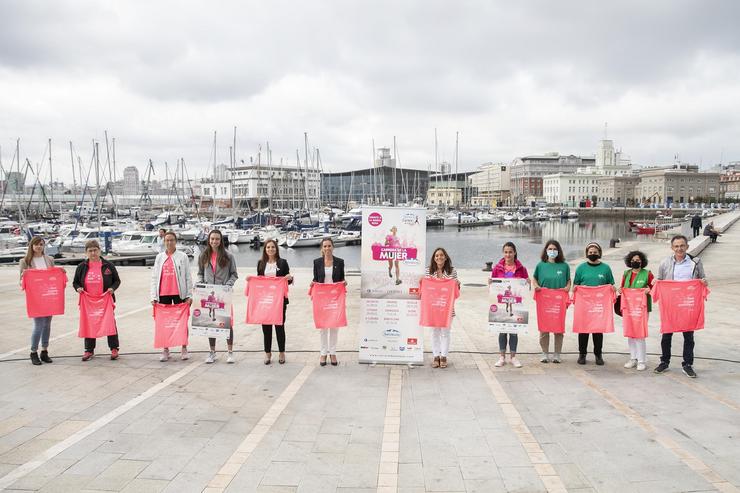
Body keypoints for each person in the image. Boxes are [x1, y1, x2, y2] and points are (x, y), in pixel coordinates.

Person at [654, 235, 708, 378]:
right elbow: (660, 280)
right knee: (666, 335)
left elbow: (702, 278)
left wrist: (704, 282)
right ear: (672, 248)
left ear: (687, 247)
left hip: (687, 303)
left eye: (682, 245)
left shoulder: (695, 262)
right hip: (671, 304)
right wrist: (656, 283)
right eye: (676, 246)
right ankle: (664, 361)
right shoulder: (665, 262)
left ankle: (687, 364)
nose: (679, 248)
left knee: (688, 336)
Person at [73, 240, 122, 361]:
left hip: (105, 300)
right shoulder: (81, 267)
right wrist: (78, 288)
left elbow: (117, 281)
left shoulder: (108, 265)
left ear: (99, 250)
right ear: (86, 253)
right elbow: (75, 282)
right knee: (89, 324)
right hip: (89, 302)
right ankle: (89, 350)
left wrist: (112, 288)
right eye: (90, 251)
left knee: (110, 323)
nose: (93, 253)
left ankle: (114, 348)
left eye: (95, 250)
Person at [151, 230, 193, 361]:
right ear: (164, 242)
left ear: (176, 241)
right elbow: (154, 277)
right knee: (164, 323)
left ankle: (184, 348)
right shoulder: (159, 257)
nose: (169, 242)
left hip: (179, 293)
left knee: (182, 322)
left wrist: (189, 295)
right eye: (167, 240)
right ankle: (165, 349)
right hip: (163, 294)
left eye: (172, 240)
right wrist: (153, 296)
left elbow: (187, 277)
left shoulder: (182, 256)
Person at [198, 229, 238, 364]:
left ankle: (230, 352)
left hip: (223, 294)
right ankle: (212, 352)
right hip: (209, 294)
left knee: (226, 323)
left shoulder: (228, 256)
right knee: (211, 323)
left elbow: (234, 274)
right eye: (212, 239)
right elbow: (200, 273)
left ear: (221, 241)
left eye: (217, 239)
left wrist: (228, 284)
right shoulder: (203, 256)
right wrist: (200, 283)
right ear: (209, 240)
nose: (214, 241)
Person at [573, 242, 614, 365]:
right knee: (583, 329)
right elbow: (575, 285)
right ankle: (582, 354)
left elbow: (611, 284)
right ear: (587, 253)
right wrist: (577, 289)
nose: (593, 254)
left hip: (599, 304)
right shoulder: (581, 268)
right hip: (584, 304)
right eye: (590, 252)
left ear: (599, 253)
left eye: (595, 252)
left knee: (598, 329)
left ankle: (598, 354)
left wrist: (612, 289)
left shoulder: (606, 268)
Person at [490, 242, 529, 368]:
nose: (508, 254)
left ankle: (513, 357)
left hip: (516, 303)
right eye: (506, 252)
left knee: (513, 331)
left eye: (510, 252)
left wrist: (528, 282)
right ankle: (502, 356)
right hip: (502, 303)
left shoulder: (522, 269)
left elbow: (525, 287)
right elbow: (494, 286)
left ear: (515, 253)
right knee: (502, 330)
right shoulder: (497, 268)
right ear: (503, 253)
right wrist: (490, 282)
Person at [531, 239, 570, 363]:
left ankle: (557, 354)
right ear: (546, 250)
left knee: (558, 328)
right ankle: (544, 353)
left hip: (558, 300)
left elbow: (569, 280)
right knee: (544, 327)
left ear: (558, 251)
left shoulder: (564, 266)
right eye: (550, 249)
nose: (552, 251)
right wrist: (536, 286)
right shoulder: (540, 265)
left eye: (554, 249)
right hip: (545, 300)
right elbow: (534, 278)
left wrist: (568, 287)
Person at [19, 237, 56, 366]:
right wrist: (24, 275)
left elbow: (53, 276)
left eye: (41, 244)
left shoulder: (49, 260)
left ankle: (44, 351)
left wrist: (60, 271)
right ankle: (33, 352)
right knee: (38, 325)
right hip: (35, 298)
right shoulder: (25, 261)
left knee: (47, 324)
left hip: (48, 296)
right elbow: (21, 283)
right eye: (36, 244)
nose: (39, 247)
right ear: (31, 246)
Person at [257, 239, 293, 365]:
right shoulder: (261, 263)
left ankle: (282, 352)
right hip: (265, 300)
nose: (270, 249)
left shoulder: (283, 263)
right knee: (266, 327)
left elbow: (288, 280)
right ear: (265, 249)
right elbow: (259, 281)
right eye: (268, 247)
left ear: (276, 249)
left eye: (273, 247)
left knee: (279, 326)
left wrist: (290, 277)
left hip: (279, 300)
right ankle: (268, 353)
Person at [617, 250, 654, 371]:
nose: (635, 262)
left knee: (639, 334)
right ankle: (633, 358)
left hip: (641, 308)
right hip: (629, 308)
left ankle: (642, 360)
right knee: (630, 333)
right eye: (633, 260)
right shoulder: (626, 273)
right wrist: (620, 290)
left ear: (642, 261)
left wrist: (649, 290)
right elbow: (622, 288)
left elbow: (655, 288)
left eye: (638, 260)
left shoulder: (647, 273)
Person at [312, 238, 346, 366]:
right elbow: (316, 279)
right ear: (322, 248)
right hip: (321, 298)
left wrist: (344, 282)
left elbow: (342, 278)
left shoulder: (340, 262)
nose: (327, 248)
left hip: (335, 298)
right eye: (325, 246)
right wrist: (313, 283)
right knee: (323, 327)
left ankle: (332, 353)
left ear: (333, 247)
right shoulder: (316, 262)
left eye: (329, 246)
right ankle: (323, 353)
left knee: (334, 326)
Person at [425, 248, 460, 369]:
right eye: (436, 256)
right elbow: (427, 289)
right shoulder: (428, 271)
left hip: (447, 308)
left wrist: (457, 285)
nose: (439, 257)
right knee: (434, 332)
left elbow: (454, 290)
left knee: (445, 333)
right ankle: (436, 356)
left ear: (445, 257)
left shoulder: (452, 271)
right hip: (434, 308)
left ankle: (444, 356)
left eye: (441, 255)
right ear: (434, 258)